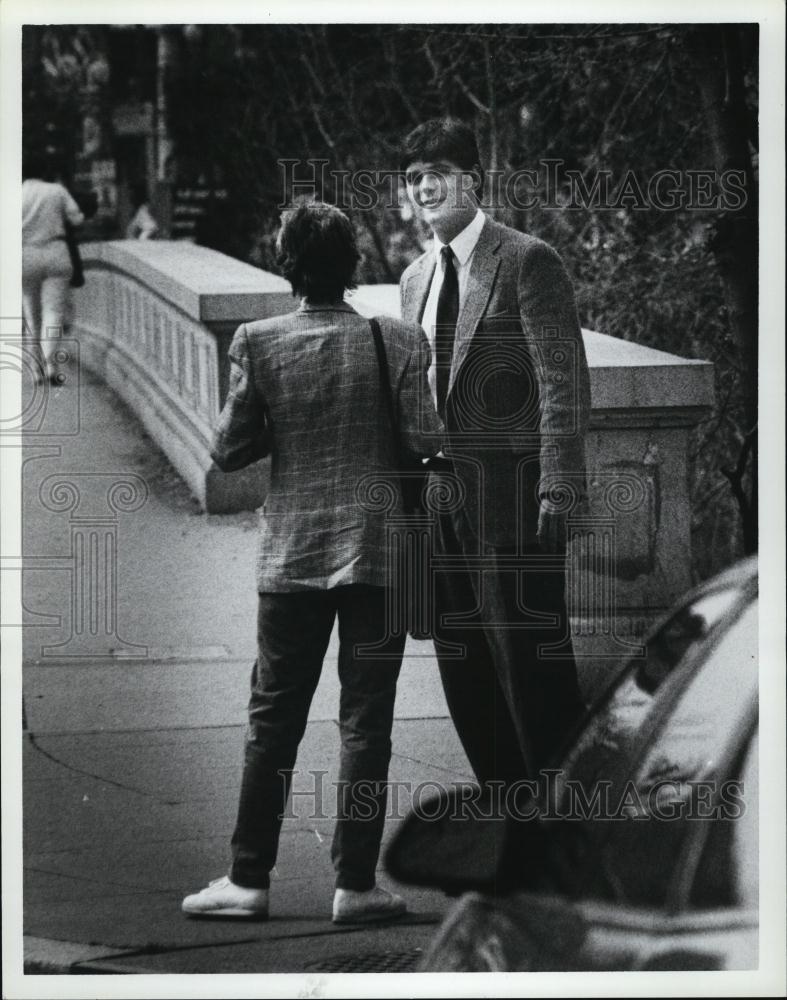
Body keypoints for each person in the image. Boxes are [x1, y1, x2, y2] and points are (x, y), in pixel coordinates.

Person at [182, 202, 442, 923]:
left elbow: (228, 450)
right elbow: (425, 437)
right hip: (378, 554)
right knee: (366, 722)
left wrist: (278, 411)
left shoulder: (258, 342)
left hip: (292, 555)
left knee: (272, 718)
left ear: (285, 265)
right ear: (352, 264)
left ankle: (247, 880)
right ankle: (354, 886)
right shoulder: (396, 339)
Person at [399, 118, 591, 793]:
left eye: (437, 174)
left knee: (532, 663)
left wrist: (560, 488)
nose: (425, 187)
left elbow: (562, 379)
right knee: (465, 666)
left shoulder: (525, 259)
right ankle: (505, 811)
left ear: (471, 179)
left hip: (514, 496)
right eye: (414, 177)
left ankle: (566, 819)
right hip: (441, 497)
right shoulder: (414, 277)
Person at [22, 154, 84, 384]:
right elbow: (76, 219)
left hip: (24, 255)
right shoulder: (56, 191)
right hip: (55, 252)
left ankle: (35, 368)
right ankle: (50, 364)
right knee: (53, 310)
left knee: (31, 313)